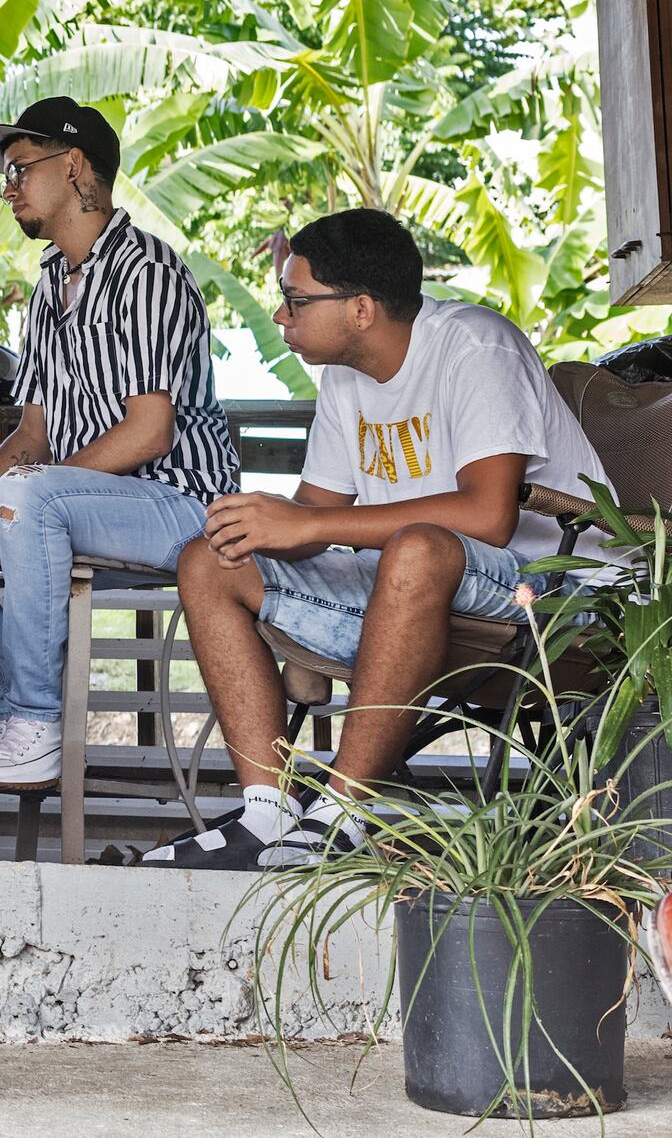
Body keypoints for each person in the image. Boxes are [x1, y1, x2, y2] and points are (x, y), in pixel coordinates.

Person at [144, 210, 611, 870]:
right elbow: (314, 515)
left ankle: (341, 815)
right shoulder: (343, 376)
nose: (281, 316)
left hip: (555, 596)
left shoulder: (476, 345)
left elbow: (488, 516)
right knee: (209, 561)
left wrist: (307, 525)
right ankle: (267, 812)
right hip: (415, 590)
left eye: (296, 299)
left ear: (361, 308)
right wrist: (259, 523)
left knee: (419, 546)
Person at [0, 98, 238, 788]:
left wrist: (5, 497)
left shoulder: (147, 271)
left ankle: (37, 717)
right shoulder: (51, 282)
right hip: (77, 505)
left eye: (20, 168)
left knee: (24, 495)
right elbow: (34, 432)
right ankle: (10, 720)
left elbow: (149, 431)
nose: (8, 187)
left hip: (181, 505)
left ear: (75, 166)